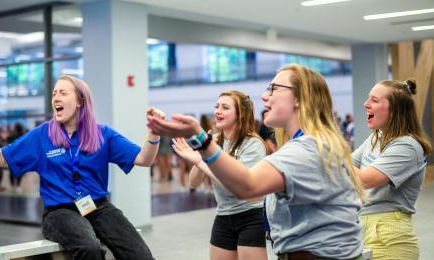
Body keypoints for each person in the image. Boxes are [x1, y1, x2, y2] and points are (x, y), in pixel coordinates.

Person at [148, 64, 366, 259]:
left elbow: (248, 186)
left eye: (273, 89)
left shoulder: (307, 148)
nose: (264, 97)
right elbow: (196, 183)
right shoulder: (308, 144)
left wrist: (201, 142)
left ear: (300, 98)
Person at [0, 75, 163, 260]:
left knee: (140, 254)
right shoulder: (42, 135)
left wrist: (154, 134)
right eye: (54, 93)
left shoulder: (102, 134)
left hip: (97, 206)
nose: (55, 98)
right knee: (90, 248)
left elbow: (143, 159)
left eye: (63, 93)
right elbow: (0, 158)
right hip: (59, 211)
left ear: (80, 101)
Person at [173, 90, 267, 260]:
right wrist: (199, 157)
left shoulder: (253, 144)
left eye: (225, 107)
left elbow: (237, 186)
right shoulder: (214, 141)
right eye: (217, 106)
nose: (217, 111)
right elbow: (193, 183)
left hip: (251, 218)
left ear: (241, 114)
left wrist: (203, 160)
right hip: (223, 217)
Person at [352, 78, 431, 259]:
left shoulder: (407, 146)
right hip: (365, 229)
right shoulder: (376, 138)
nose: (366, 104)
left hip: (390, 238)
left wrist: (330, 151)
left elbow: (364, 179)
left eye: (374, 100)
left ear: (395, 110)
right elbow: (347, 165)